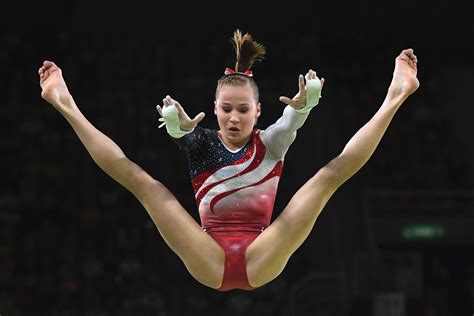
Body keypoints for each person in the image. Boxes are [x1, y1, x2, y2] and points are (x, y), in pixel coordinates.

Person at [38, 29, 419, 292]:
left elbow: (292, 120)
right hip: (209, 257)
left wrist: (307, 104)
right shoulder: (201, 142)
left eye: (242, 110)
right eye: (226, 110)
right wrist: (174, 122)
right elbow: (180, 133)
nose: (234, 118)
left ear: (257, 111)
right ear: (214, 110)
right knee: (142, 183)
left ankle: (396, 95)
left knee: (328, 176)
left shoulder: (271, 141)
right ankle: (64, 103)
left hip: (261, 255)